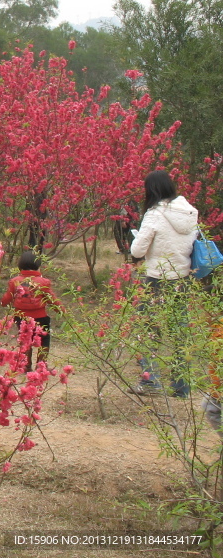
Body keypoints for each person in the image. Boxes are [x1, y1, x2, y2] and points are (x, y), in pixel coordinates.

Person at [128, 170, 198, 397]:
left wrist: (137, 242)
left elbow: (138, 249)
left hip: (158, 278)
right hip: (182, 278)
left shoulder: (155, 213)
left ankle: (151, 381)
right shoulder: (190, 212)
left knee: (148, 329)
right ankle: (181, 386)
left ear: (152, 190)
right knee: (179, 331)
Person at [0, 250, 60, 372]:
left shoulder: (15, 281)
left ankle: (26, 365)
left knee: (25, 339)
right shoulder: (44, 282)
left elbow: (7, 298)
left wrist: (3, 303)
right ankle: (41, 365)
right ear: (37, 264)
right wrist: (61, 311)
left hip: (21, 317)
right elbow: (52, 300)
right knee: (44, 339)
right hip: (40, 316)